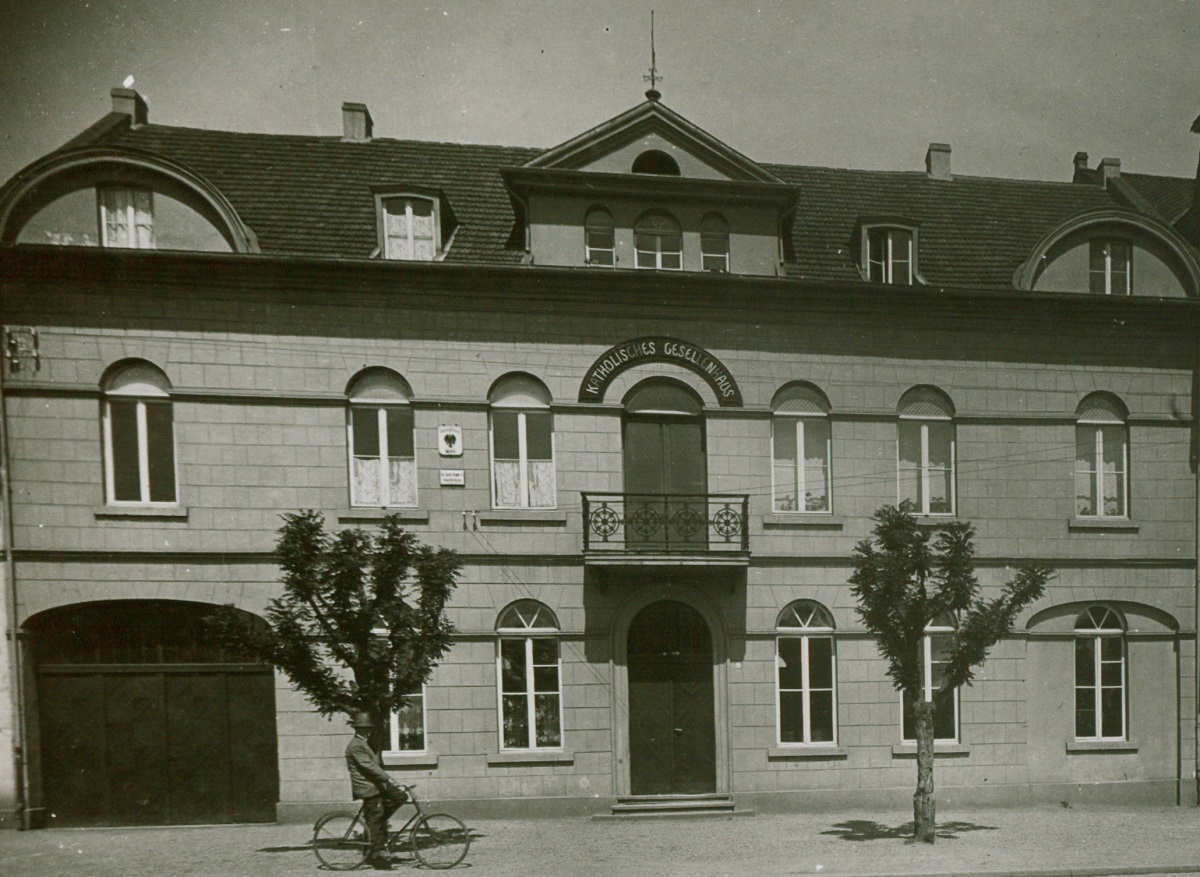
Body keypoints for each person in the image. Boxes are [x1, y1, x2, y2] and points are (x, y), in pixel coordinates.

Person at [345, 711, 407, 869]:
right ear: (357, 729)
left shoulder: (365, 743)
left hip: (375, 784)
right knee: (377, 815)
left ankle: (375, 826)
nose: (367, 730)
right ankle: (378, 853)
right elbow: (369, 766)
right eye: (363, 728)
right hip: (367, 787)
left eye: (368, 728)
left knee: (400, 796)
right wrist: (388, 778)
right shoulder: (355, 746)